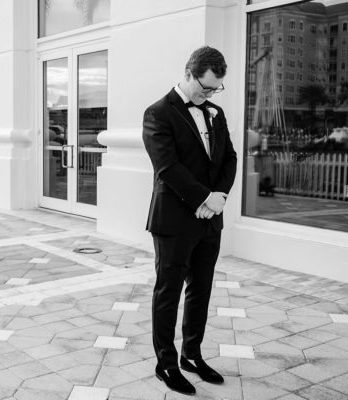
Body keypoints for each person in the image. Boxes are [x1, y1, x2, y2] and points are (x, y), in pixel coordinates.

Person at [142, 46, 237, 395]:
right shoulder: (158, 112)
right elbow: (167, 167)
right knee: (168, 293)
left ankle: (191, 354)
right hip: (173, 220)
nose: (210, 94)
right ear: (189, 73)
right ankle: (165, 363)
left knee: (202, 290)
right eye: (206, 87)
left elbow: (229, 157)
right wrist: (202, 197)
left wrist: (219, 198)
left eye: (215, 89)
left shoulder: (216, 113)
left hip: (210, 219)